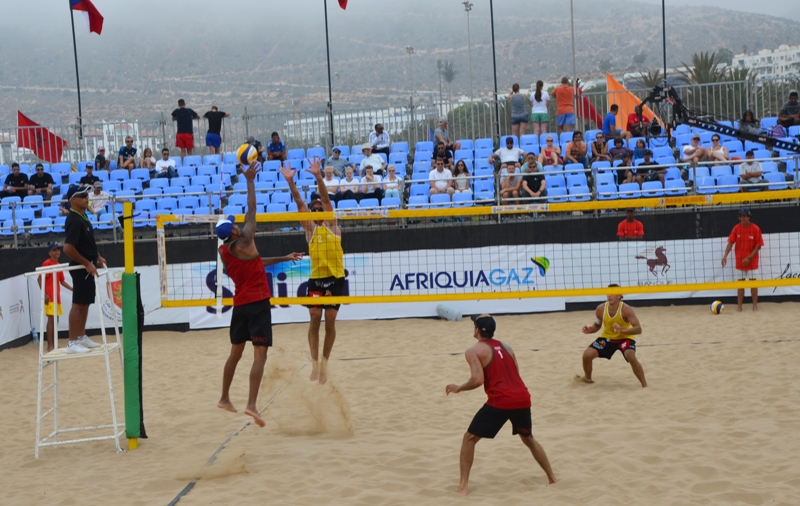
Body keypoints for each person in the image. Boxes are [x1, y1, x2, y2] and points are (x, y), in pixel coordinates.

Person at [215, 161, 303, 427]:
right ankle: (251, 405)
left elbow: (256, 261)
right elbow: (252, 211)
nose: (236, 225)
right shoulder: (245, 238)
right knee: (260, 356)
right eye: (233, 225)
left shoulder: (226, 253)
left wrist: (285, 257)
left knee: (235, 354)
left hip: (240, 305)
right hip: (257, 304)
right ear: (232, 232)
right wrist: (250, 180)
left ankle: (224, 397)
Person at [446, 314, 557, 496]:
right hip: (522, 397)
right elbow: (516, 375)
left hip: (501, 400)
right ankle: (552, 477)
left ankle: (463, 487)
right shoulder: (507, 347)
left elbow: (477, 379)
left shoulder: (473, 350)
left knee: (469, 439)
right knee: (528, 438)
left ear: (476, 329)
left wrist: (459, 388)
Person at [281, 157, 345, 385]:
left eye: (319, 208)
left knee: (330, 320)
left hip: (336, 278)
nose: (317, 210)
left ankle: (325, 363)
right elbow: (299, 203)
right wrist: (290, 182)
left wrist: (318, 177)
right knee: (315, 318)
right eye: (314, 208)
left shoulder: (333, 226)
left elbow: (326, 199)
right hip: (317, 279)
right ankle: (315, 363)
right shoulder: (309, 230)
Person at [62, 184, 106, 354]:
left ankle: (81, 336)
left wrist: (97, 256)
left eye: (86, 194)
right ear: (73, 200)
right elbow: (68, 248)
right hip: (81, 267)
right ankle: (72, 342)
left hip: (87, 265)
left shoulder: (83, 215)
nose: (86, 197)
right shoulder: (73, 219)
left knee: (85, 303)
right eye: (82, 195)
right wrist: (87, 264)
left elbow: (87, 242)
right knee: (78, 304)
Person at [578, 285, 647, 387]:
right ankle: (588, 378)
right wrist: (590, 330)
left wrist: (622, 330)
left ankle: (644, 385)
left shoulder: (626, 309)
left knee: (631, 356)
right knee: (587, 355)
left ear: (619, 295)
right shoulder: (600, 309)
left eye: (612, 293)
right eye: (608, 293)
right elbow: (597, 325)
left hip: (624, 337)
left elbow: (638, 329)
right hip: (607, 338)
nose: (609, 296)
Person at [721, 208, 763, 312]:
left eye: (744, 216)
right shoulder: (736, 228)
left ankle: (755, 305)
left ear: (749, 217)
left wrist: (749, 258)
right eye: (741, 216)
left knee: (753, 285)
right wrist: (725, 256)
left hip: (752, 262)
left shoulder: (755, 228)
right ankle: (739, 306)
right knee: (740, 285)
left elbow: (758, 246)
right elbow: (730, 243)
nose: (742, 218)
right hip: (740, 262)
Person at [38, 244, 73, 353]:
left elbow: (61, 281)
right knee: (51, 319)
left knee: (55, 320)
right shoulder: (47, 264)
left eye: (58, 250)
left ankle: (53, 344)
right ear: (50, 253)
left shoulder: (58, 265)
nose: (57, 252)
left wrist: (72, 289)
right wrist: (44, 294)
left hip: (56, 297)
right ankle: (50, 346)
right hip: (50, 296)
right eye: (54, 250)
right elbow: (40, 279)